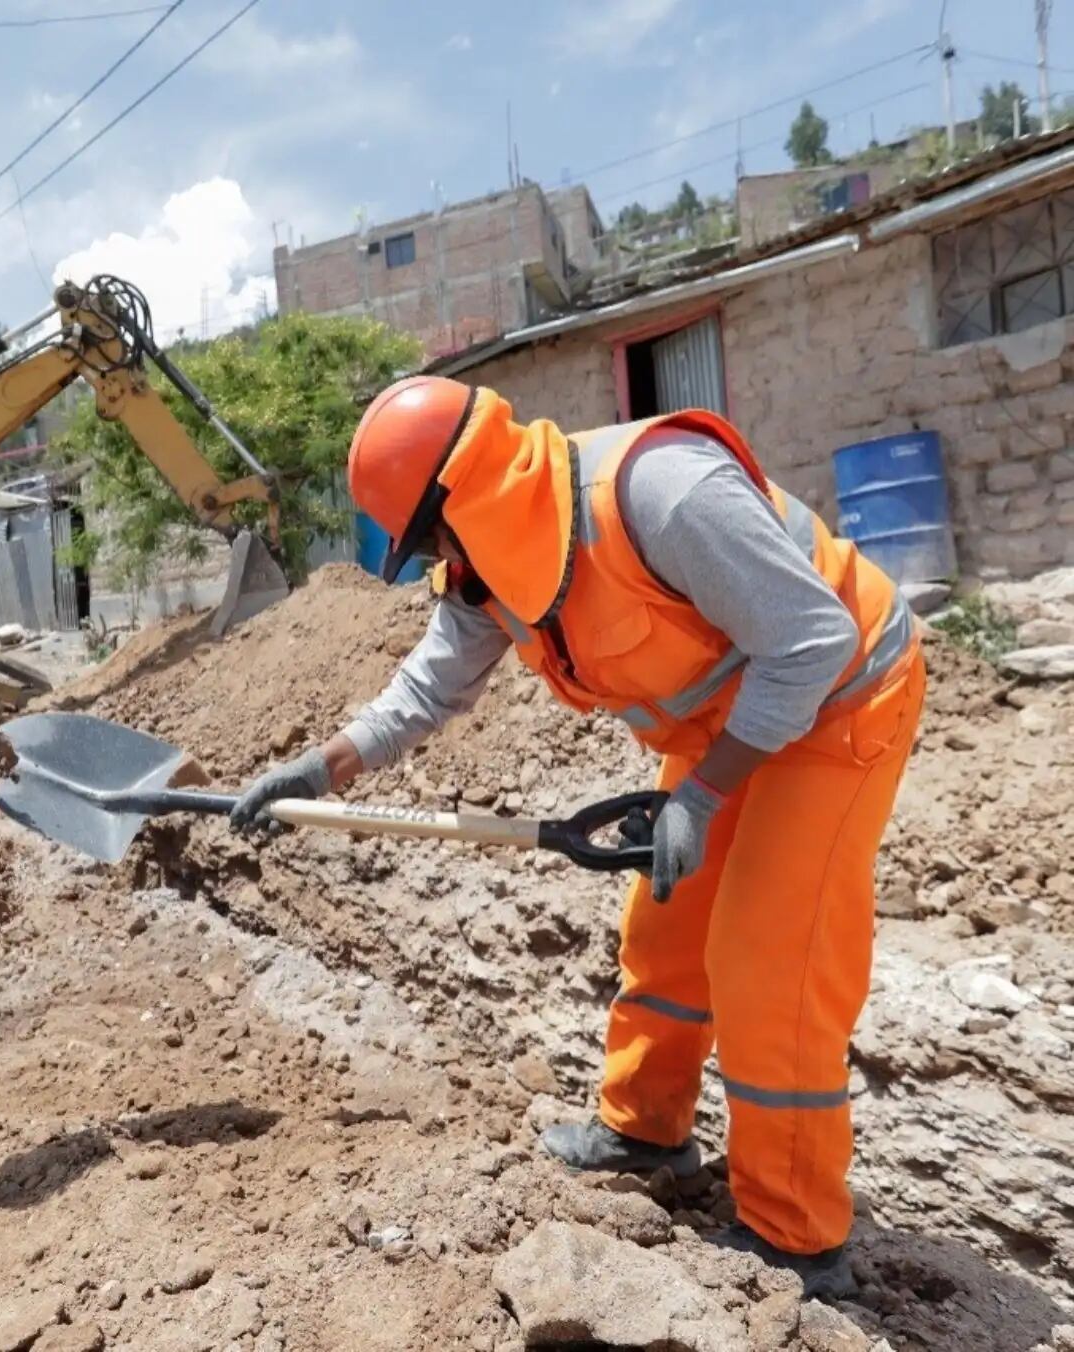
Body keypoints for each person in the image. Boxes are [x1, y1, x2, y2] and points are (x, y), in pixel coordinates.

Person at [232, 380, 923, 1300]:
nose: (439, 563)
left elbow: (808, 644)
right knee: (667, 933)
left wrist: (702, 794)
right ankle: (646, 1131)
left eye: (431, 541)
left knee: (769, 962)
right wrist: (320, 769)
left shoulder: (662, 494)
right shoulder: (493, 571)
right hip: (729, 721)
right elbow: (427, 690)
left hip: (839, 697)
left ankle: (796, 1236)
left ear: (463, 500)